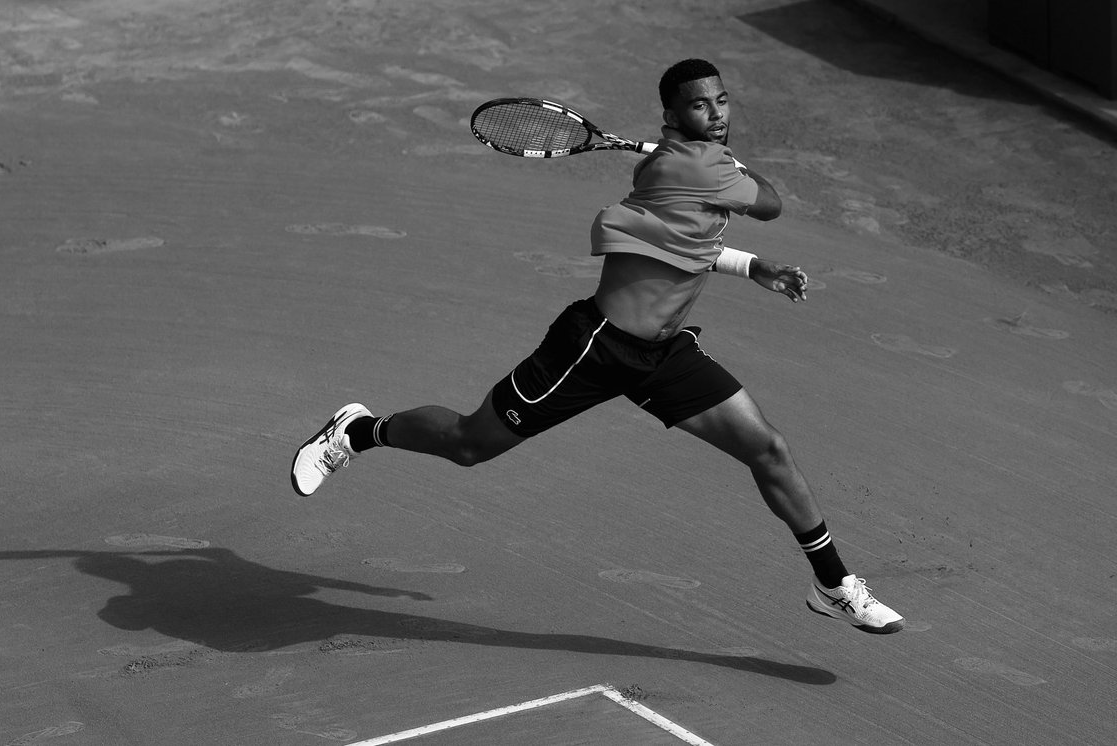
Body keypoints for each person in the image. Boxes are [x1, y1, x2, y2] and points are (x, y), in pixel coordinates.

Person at [291, 59, 904, 634]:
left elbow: (679, 242)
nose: (716, 114)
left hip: (665, 355)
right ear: (672, 115)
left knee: (767, 449)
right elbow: (770, 203)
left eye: (721, 101)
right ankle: (356, 431)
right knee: (469, 445)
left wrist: (751, 267)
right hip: (595, 349)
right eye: (699, 107)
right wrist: (737, 166)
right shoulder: (703, 168)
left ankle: (833, 585)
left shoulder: (675, 167)